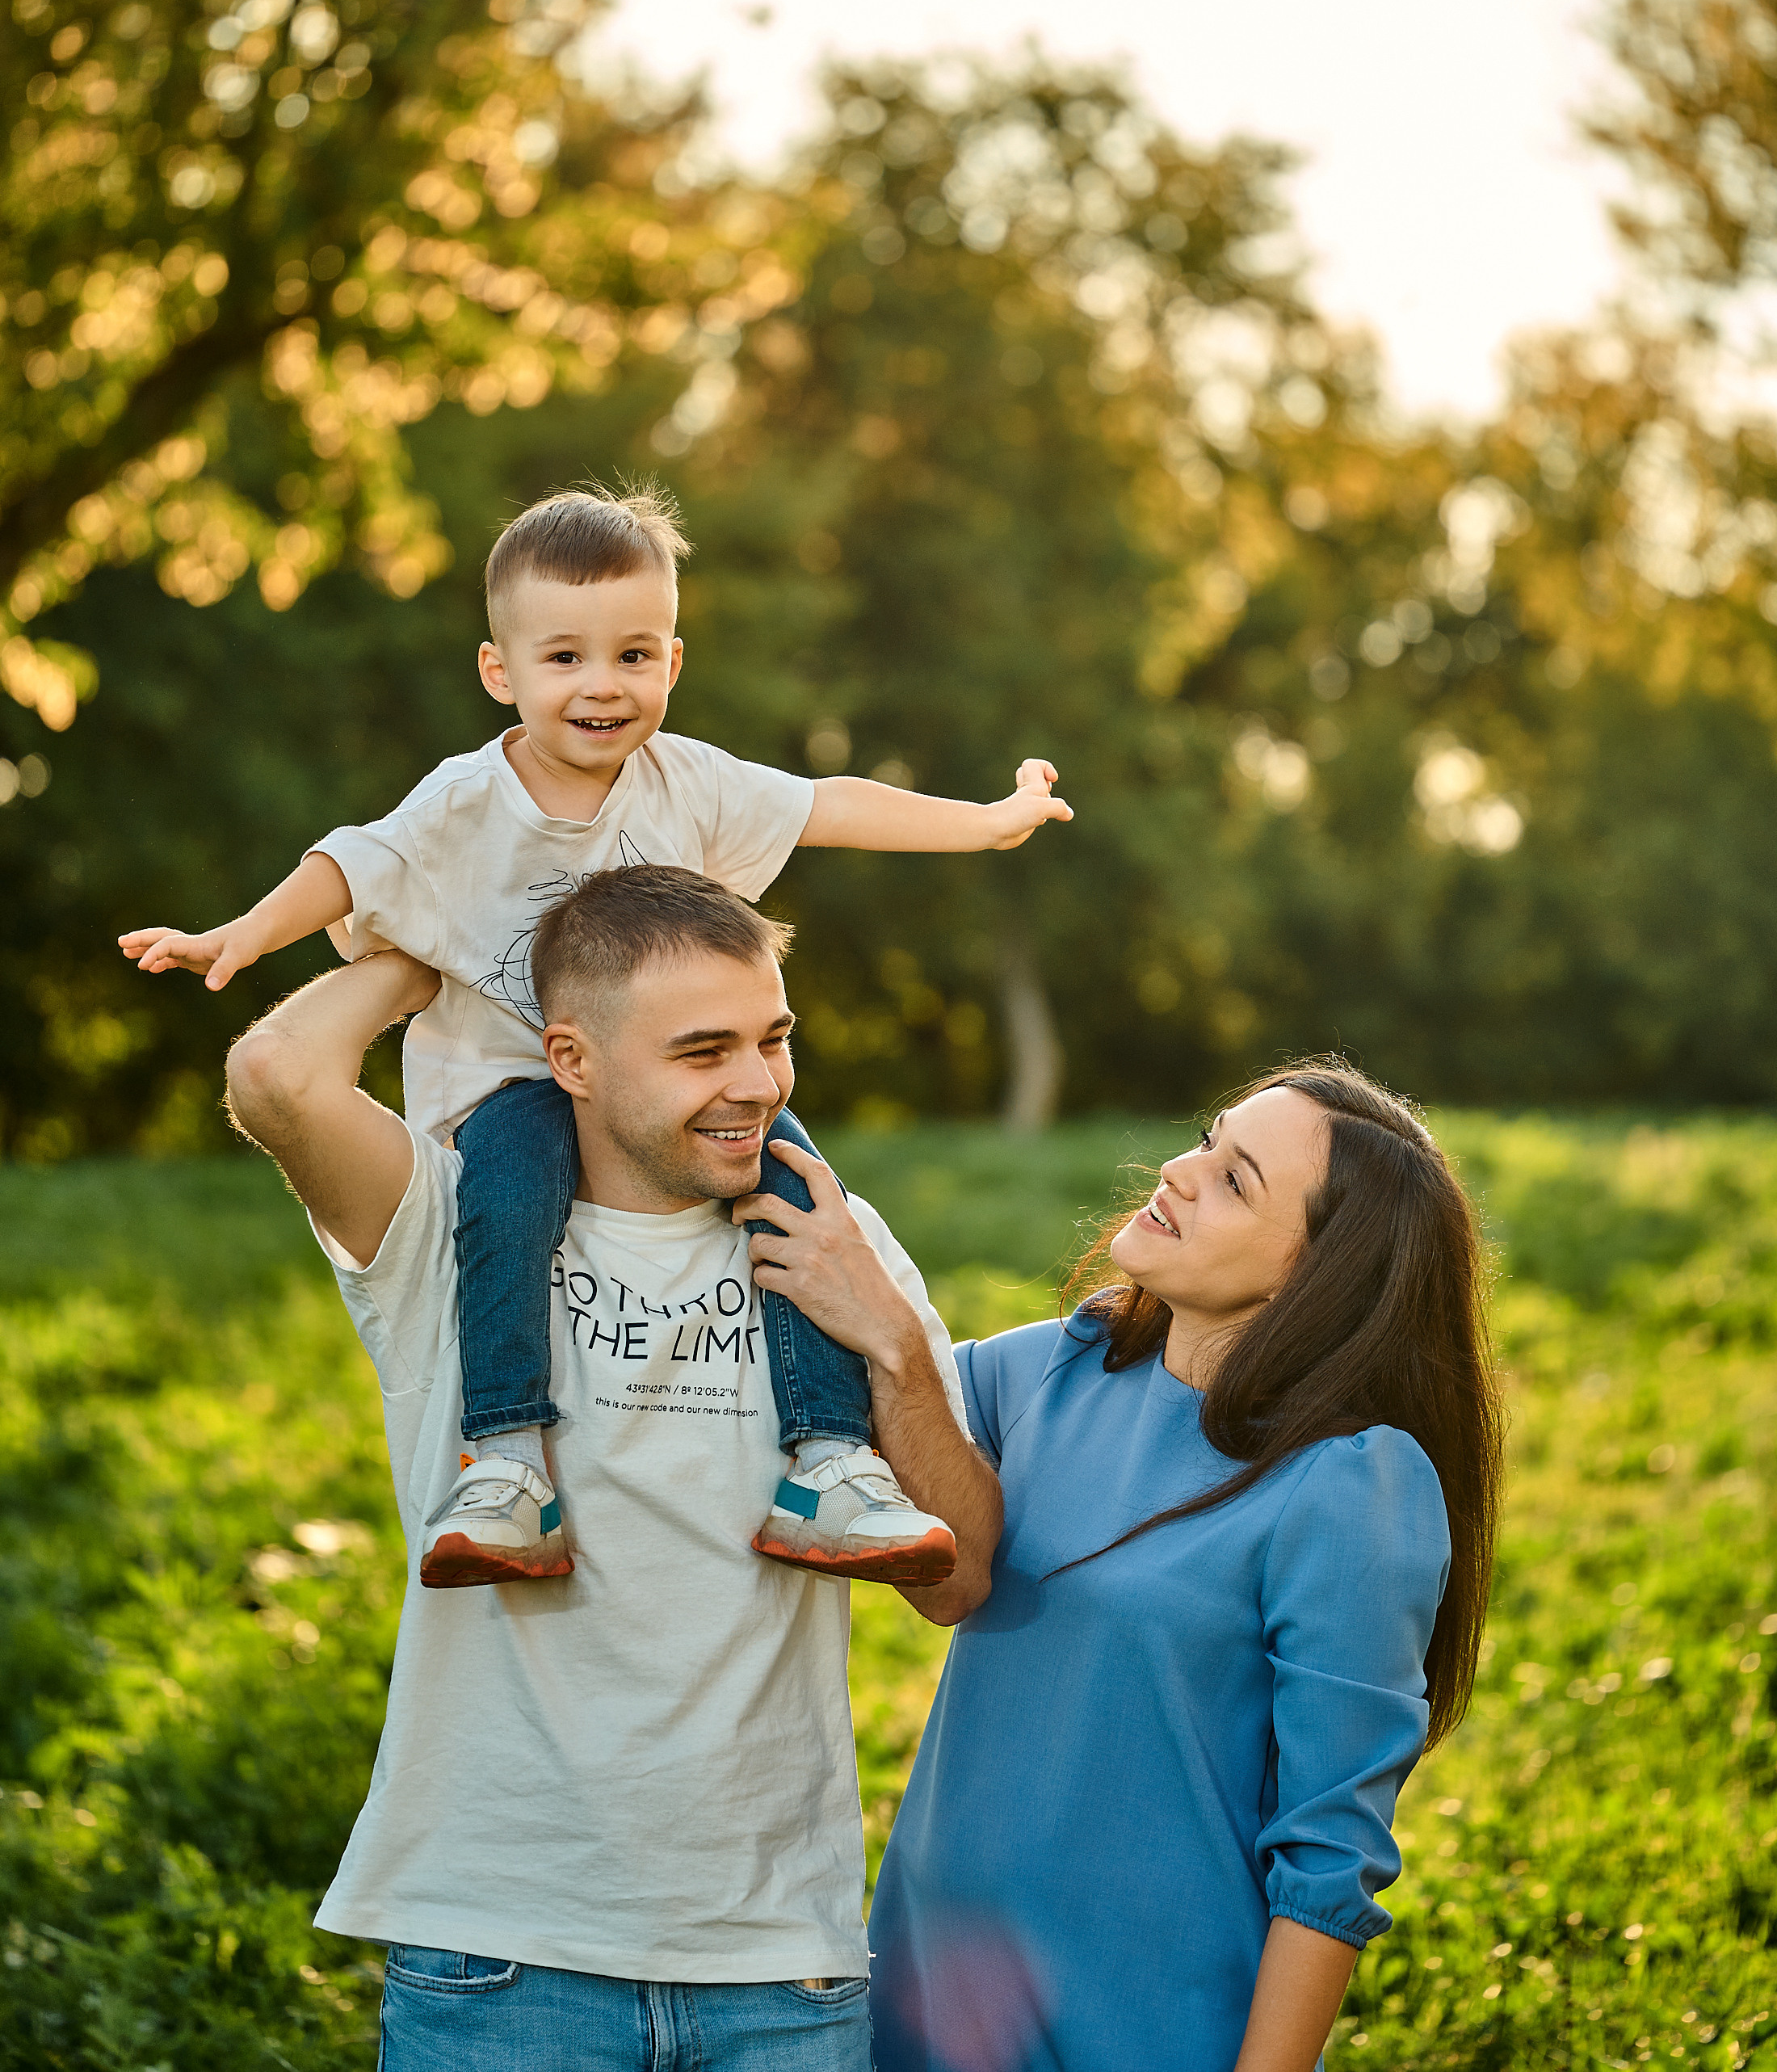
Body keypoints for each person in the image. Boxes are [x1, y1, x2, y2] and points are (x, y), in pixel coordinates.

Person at [121, 481, 1069, 1589]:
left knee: (800, 1197)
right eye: (564, 656)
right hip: (513, 1084)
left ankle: (829, 1459)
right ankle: (508, 1460)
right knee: (512, 1192)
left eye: (633, 654)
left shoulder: (687, 782)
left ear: (673, 661)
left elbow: (829, 802)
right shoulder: (464, 801)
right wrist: (241, 933)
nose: (602, 683)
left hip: (667, 1099)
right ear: (501, 672)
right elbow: (350, 862)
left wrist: (986, 823)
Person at [223, 862, 1002, 2070]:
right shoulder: (447, 1228)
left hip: (778, 1966)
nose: (759, 1083)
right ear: (571, 1059)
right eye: (703, 1051)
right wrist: (432, 945)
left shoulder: (832, 1240)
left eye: (774, 1037)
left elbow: (961, 1583)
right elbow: (277, 1074)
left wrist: (891, 1341)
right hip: (499, 1955)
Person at [866, 1060, 1506, 2072]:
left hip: (1146, 2032)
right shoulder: (1056, 1367)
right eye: (1208, 1140)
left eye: (1234, 1179)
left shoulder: (1348, 1483)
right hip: (920, 2011)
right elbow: (860, 1413)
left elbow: (1328, 1859)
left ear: (1315, 1274)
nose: (1177, 1170)